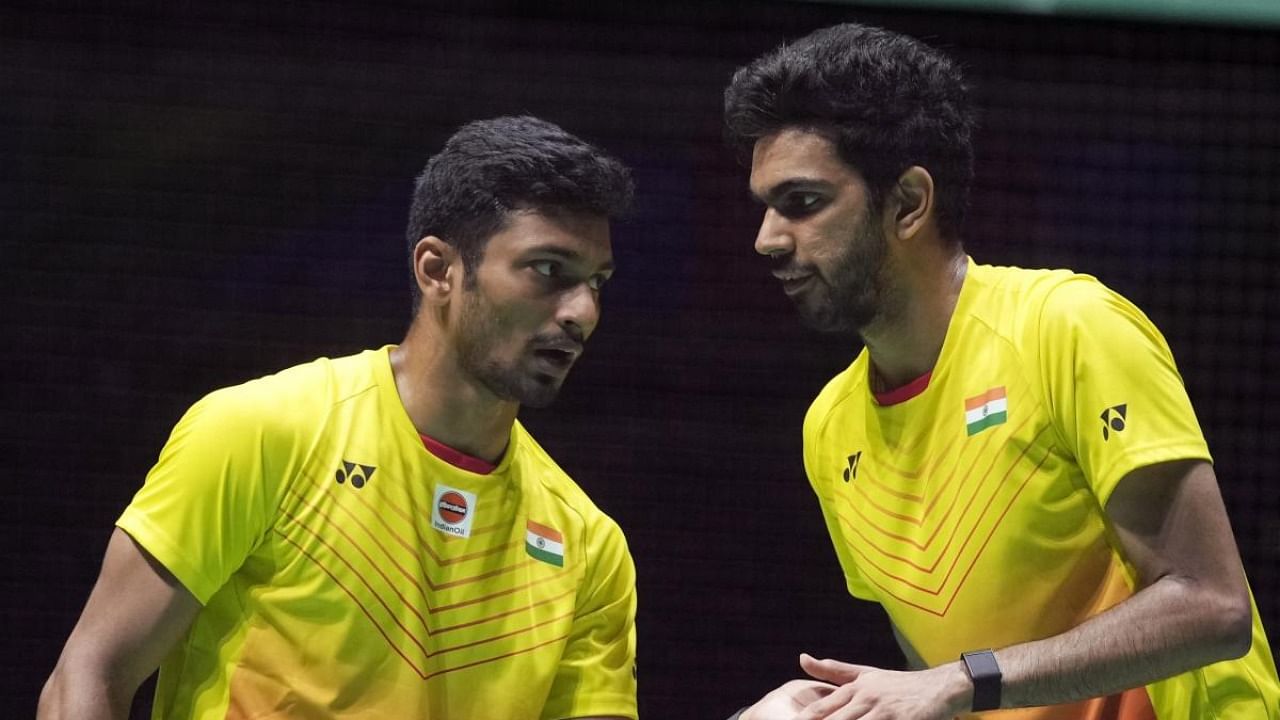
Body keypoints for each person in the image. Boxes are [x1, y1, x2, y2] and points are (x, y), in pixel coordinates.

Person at [723, 23, 1279, 719]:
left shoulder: (1067, 328)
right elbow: (939, 675)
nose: (767, 239)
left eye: (802, 203)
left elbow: (1212, 606)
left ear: (907, 204)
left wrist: (959, 680)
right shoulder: (831, 428)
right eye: (766, 208)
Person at [38, 115, 639, 720]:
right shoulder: (263, 432)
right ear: (437, 271)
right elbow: (91, 671)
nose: (582, 311)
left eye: (596, 282)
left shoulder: (588, 546)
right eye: (548, 270)